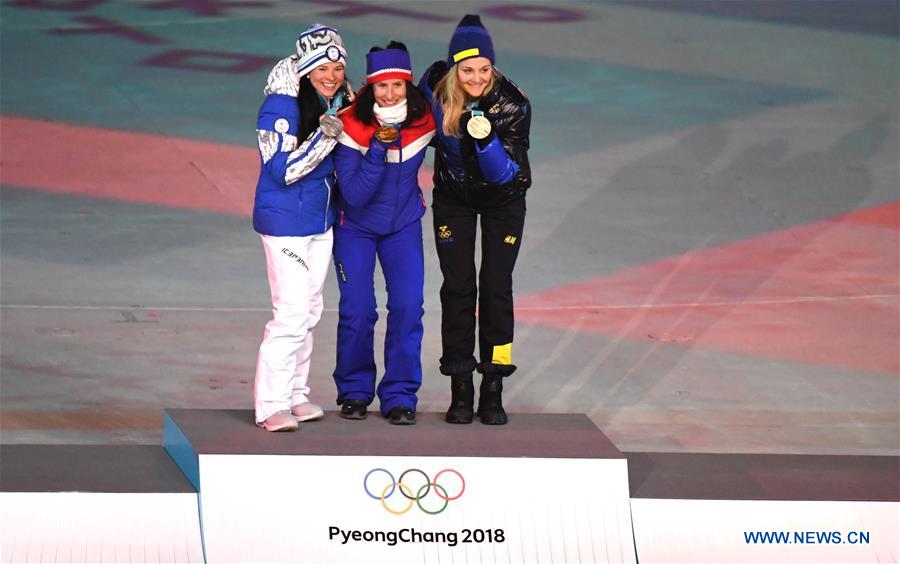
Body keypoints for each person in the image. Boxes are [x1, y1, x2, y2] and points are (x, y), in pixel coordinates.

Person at [419, 15, 532, 425]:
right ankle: (461, 386)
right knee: (459, 288)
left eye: (485, 69)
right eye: (467, 70)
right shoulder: (434, 94)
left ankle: (494, 385)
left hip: (504, 200)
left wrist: (485, 141)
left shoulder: (513, 104)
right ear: (453, 69)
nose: (477, 78)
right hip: (454, 200)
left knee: (497, 288)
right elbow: (406, 125)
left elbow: (508, 175)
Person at [252, 24, 354, 432]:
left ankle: (295, 394)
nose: (331, 75)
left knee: (311, 310)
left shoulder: (340, 99)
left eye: (338, 67)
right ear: (306, 68)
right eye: (322, 67)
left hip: (320, 220)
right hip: (286, 222)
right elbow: (282, 171)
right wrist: (324, 140)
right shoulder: (282, 105)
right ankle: (269, 405)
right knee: (291, 314)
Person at [331, 42, 436, 425]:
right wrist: (377, 149)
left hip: (403, 227)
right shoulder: (350, 125)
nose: (389, 93)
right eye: (381, 87)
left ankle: (400, 395)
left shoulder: (425, 120)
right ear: (370, 88)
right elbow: (355, 196)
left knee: (409, 307)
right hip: (355, 228)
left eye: (397, 85)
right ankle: (355, 391)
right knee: (358, 310)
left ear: (408, 85)